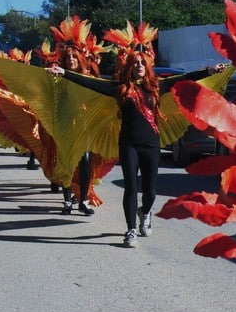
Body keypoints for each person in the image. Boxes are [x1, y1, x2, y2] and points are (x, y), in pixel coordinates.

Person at [48, 30, 208, 248]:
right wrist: (64, 73)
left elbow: (183, 79)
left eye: (142, 63)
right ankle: (131, 229)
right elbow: (90, 83)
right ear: (130, 67)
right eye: (135, 63)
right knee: (131, 188)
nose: (139, 66)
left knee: (149, 191)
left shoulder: (157, 87)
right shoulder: (119, 89)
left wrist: (208, 70)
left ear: (146, 65)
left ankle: (145, 212)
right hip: (128, 144)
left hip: (151, 144)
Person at [51, 45, 96, 216]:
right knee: (67, 164)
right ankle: (67, 201)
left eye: (74, 57)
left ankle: (83, 200)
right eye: (68, 57)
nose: (71, 60)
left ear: (80, 60)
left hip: (84, 127)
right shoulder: (58, 80)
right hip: (65, 126)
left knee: (85, 163)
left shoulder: (88, 78)